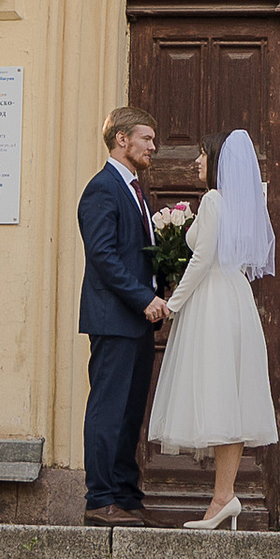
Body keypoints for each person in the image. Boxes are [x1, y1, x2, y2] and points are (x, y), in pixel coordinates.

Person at [148, 124, 279, 529]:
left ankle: (223, 496)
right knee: (231, 399)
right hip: (236, 299)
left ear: (218, 162)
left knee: (219, 393)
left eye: (203, 154)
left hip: (213, 303)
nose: (197, 161)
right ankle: (225, 495)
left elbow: (202, 260)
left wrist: (172, 304)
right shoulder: (241, 205)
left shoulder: (213, 200)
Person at [76, 106, 169, 525]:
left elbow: (136, 253)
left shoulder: (135, 189)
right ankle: (100, 500)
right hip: (113, 318)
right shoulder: (102, 188)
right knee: (107, 409)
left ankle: (127, 496)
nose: (153, 147)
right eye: (146, 139)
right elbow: (103, 256)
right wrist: (143, 298)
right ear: (122, 139)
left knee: (130, 413)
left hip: (137, 321)